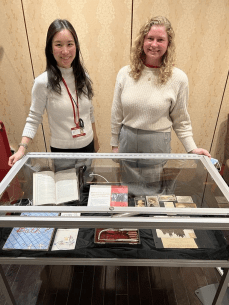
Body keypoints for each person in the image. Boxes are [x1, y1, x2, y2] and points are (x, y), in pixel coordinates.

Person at [110, 16, 210, 195]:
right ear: (142, 41)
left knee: (151, 193)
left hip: (156, 143)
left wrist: (192, 148)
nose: (154, 44)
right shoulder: (125, 73)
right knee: (127, 190)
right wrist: (114, 143)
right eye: (150, 38)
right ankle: (129, 221)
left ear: (168, 44)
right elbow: (116, 112)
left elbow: (181, 119)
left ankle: (147, 223)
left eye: (160, 39)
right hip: (127, 140)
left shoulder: (178, 78)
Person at [9, 19, 99, 167]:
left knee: (85, 187)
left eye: (70, 44)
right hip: (62, 152)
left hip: (87, 146)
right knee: (66, 190)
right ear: (50, 48)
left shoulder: (84, 77)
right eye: (58, 45)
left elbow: (90, 111)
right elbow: (34, 117)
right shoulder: (42, 82)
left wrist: (95, 138)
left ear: (76, 46)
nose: (65, 51)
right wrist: (21, 148)